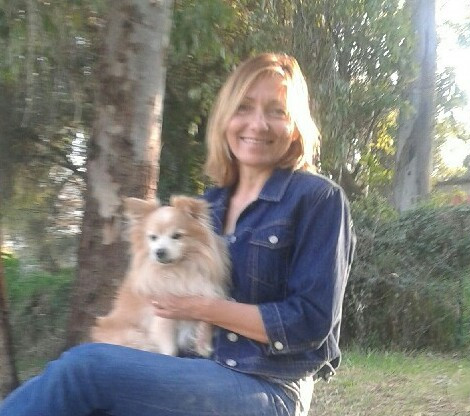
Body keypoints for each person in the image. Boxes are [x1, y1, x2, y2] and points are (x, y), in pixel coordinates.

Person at [0, 52, 355, 416]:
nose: (258, 124)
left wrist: (203, 308)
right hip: (189, 368)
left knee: (85, 370)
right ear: (225, 118)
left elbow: (309, 322)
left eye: (276, 111)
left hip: (268, 384)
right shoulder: (208, 205)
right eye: (244, 107)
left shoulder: (317, 199)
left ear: (295, 126)